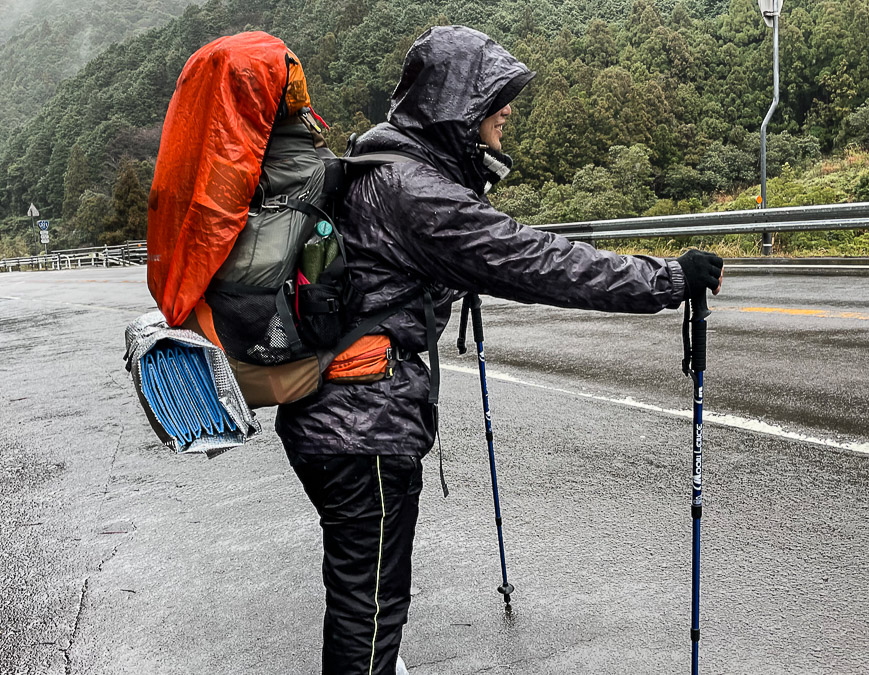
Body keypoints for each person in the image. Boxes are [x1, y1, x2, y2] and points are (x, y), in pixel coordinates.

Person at [277, 25, 723, 675]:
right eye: (494, 98)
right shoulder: (415, 190)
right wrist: (668, 279)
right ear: (456, 107)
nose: (507, 109)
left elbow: (388, 279)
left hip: (331, 412)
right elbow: (539, 263)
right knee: (368, 610)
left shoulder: (380, 162)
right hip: (362, 426)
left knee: (362, 598)